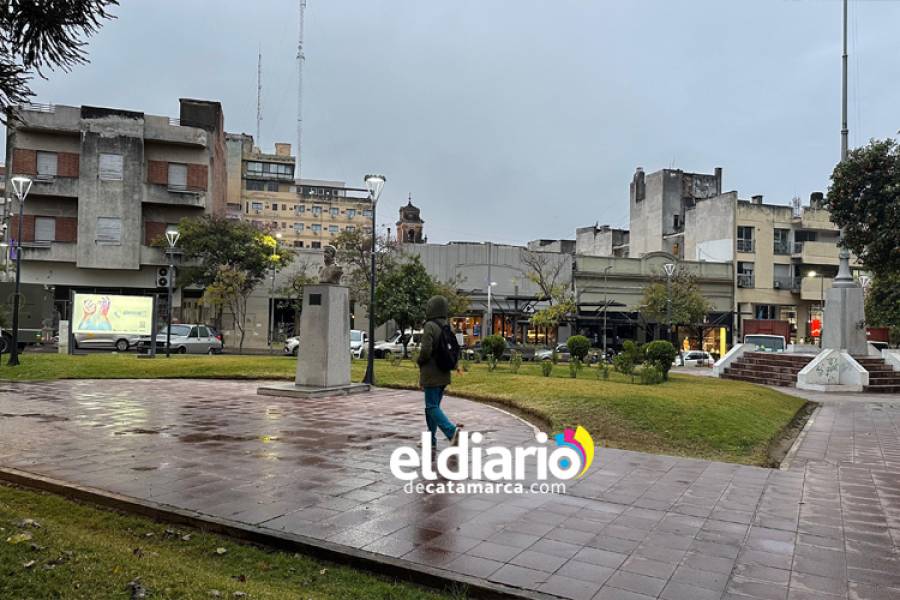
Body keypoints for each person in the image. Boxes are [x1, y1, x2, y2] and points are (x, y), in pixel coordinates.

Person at [417, 294, 462, 450]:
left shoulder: (429, 326)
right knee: (433, 407)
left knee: (431, 407)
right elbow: (454, 349)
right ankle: (431, 440)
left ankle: (452, 432)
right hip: (444, 373)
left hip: (431, 374)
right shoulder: (447, 326)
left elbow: (425, 350)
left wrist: (419, 360)